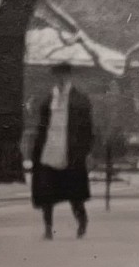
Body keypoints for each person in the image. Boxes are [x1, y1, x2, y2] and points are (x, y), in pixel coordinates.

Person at [29, 61, 94, 239]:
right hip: (50, 149)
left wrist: (86, 151)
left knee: (75, 193)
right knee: (46, 192)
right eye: (57, 76)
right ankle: (48, 228)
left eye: (63, 76)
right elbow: (42, 126)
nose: (60, 79)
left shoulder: (79, 99)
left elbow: (87, 128)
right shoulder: (49, 98)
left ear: (69, 76)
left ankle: (82, 221)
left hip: (70, 151)